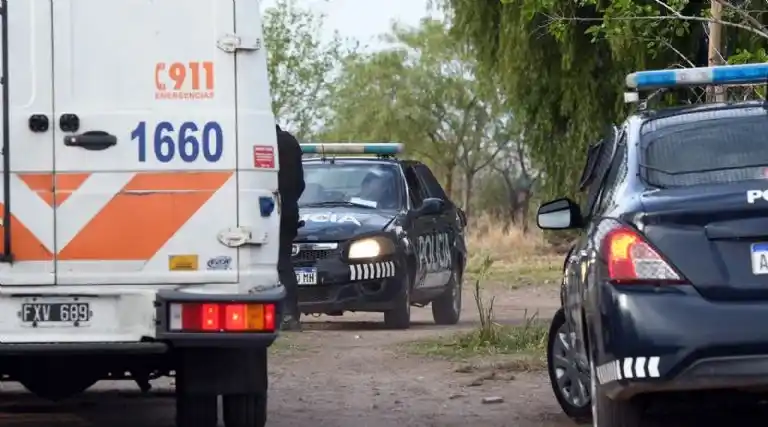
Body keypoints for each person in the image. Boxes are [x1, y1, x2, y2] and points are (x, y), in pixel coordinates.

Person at [276, 124, 305, 331]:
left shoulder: (252, 139)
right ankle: (289, 314)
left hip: (262, 210)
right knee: (283, 262)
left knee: (278, 264)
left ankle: (284, 313)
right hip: (287, 210)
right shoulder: (289, 142)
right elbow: (300, 183)